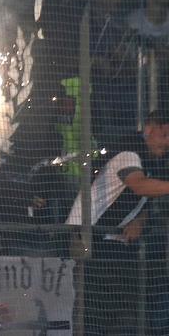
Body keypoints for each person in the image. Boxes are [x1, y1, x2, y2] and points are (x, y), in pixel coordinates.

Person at [66, 110, 169, 336]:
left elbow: (147, 199)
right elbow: (139, 185)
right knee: (88, 311)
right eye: (164, 135)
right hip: (85, 236)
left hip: (111, 239)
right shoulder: (129, 152)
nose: (167, 142)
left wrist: (138, 220)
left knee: (114, 310)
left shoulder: (155, 160)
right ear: (149, 131)